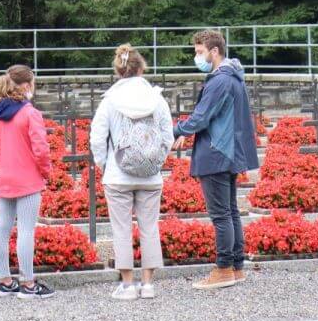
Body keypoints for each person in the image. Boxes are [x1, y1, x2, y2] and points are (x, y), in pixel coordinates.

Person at [173, 29, 259, 290]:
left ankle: (223, 269)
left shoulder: (220, 80)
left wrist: (175, 130)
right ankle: (236, 266)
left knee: (221, 215)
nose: (196, 57)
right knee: (230, 212)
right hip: (229, 152)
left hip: (216, 152)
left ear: (214, 51)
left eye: (199, 52)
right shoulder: (234, 77)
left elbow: (202, 116)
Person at [90, 44, 173, 300]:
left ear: (118, 70)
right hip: (150, 175)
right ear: (141, 68)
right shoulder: (156, 99)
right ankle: (148, 284)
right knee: (150, 227)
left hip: (118, 174)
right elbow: (167, 136)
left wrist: (104, 163)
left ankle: (127, 285)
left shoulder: (110, 101)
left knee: (121, 229)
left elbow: (97, 137)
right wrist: (156, 160)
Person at [0, 64, 56, 299]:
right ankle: (28, 283)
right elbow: (41, 149)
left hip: (6, 177)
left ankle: (4, 280)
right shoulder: (30, 113)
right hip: (28, 179)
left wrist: (4, 166)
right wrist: (46, 171)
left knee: (2, 229)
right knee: (26, 230)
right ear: (27, 85)